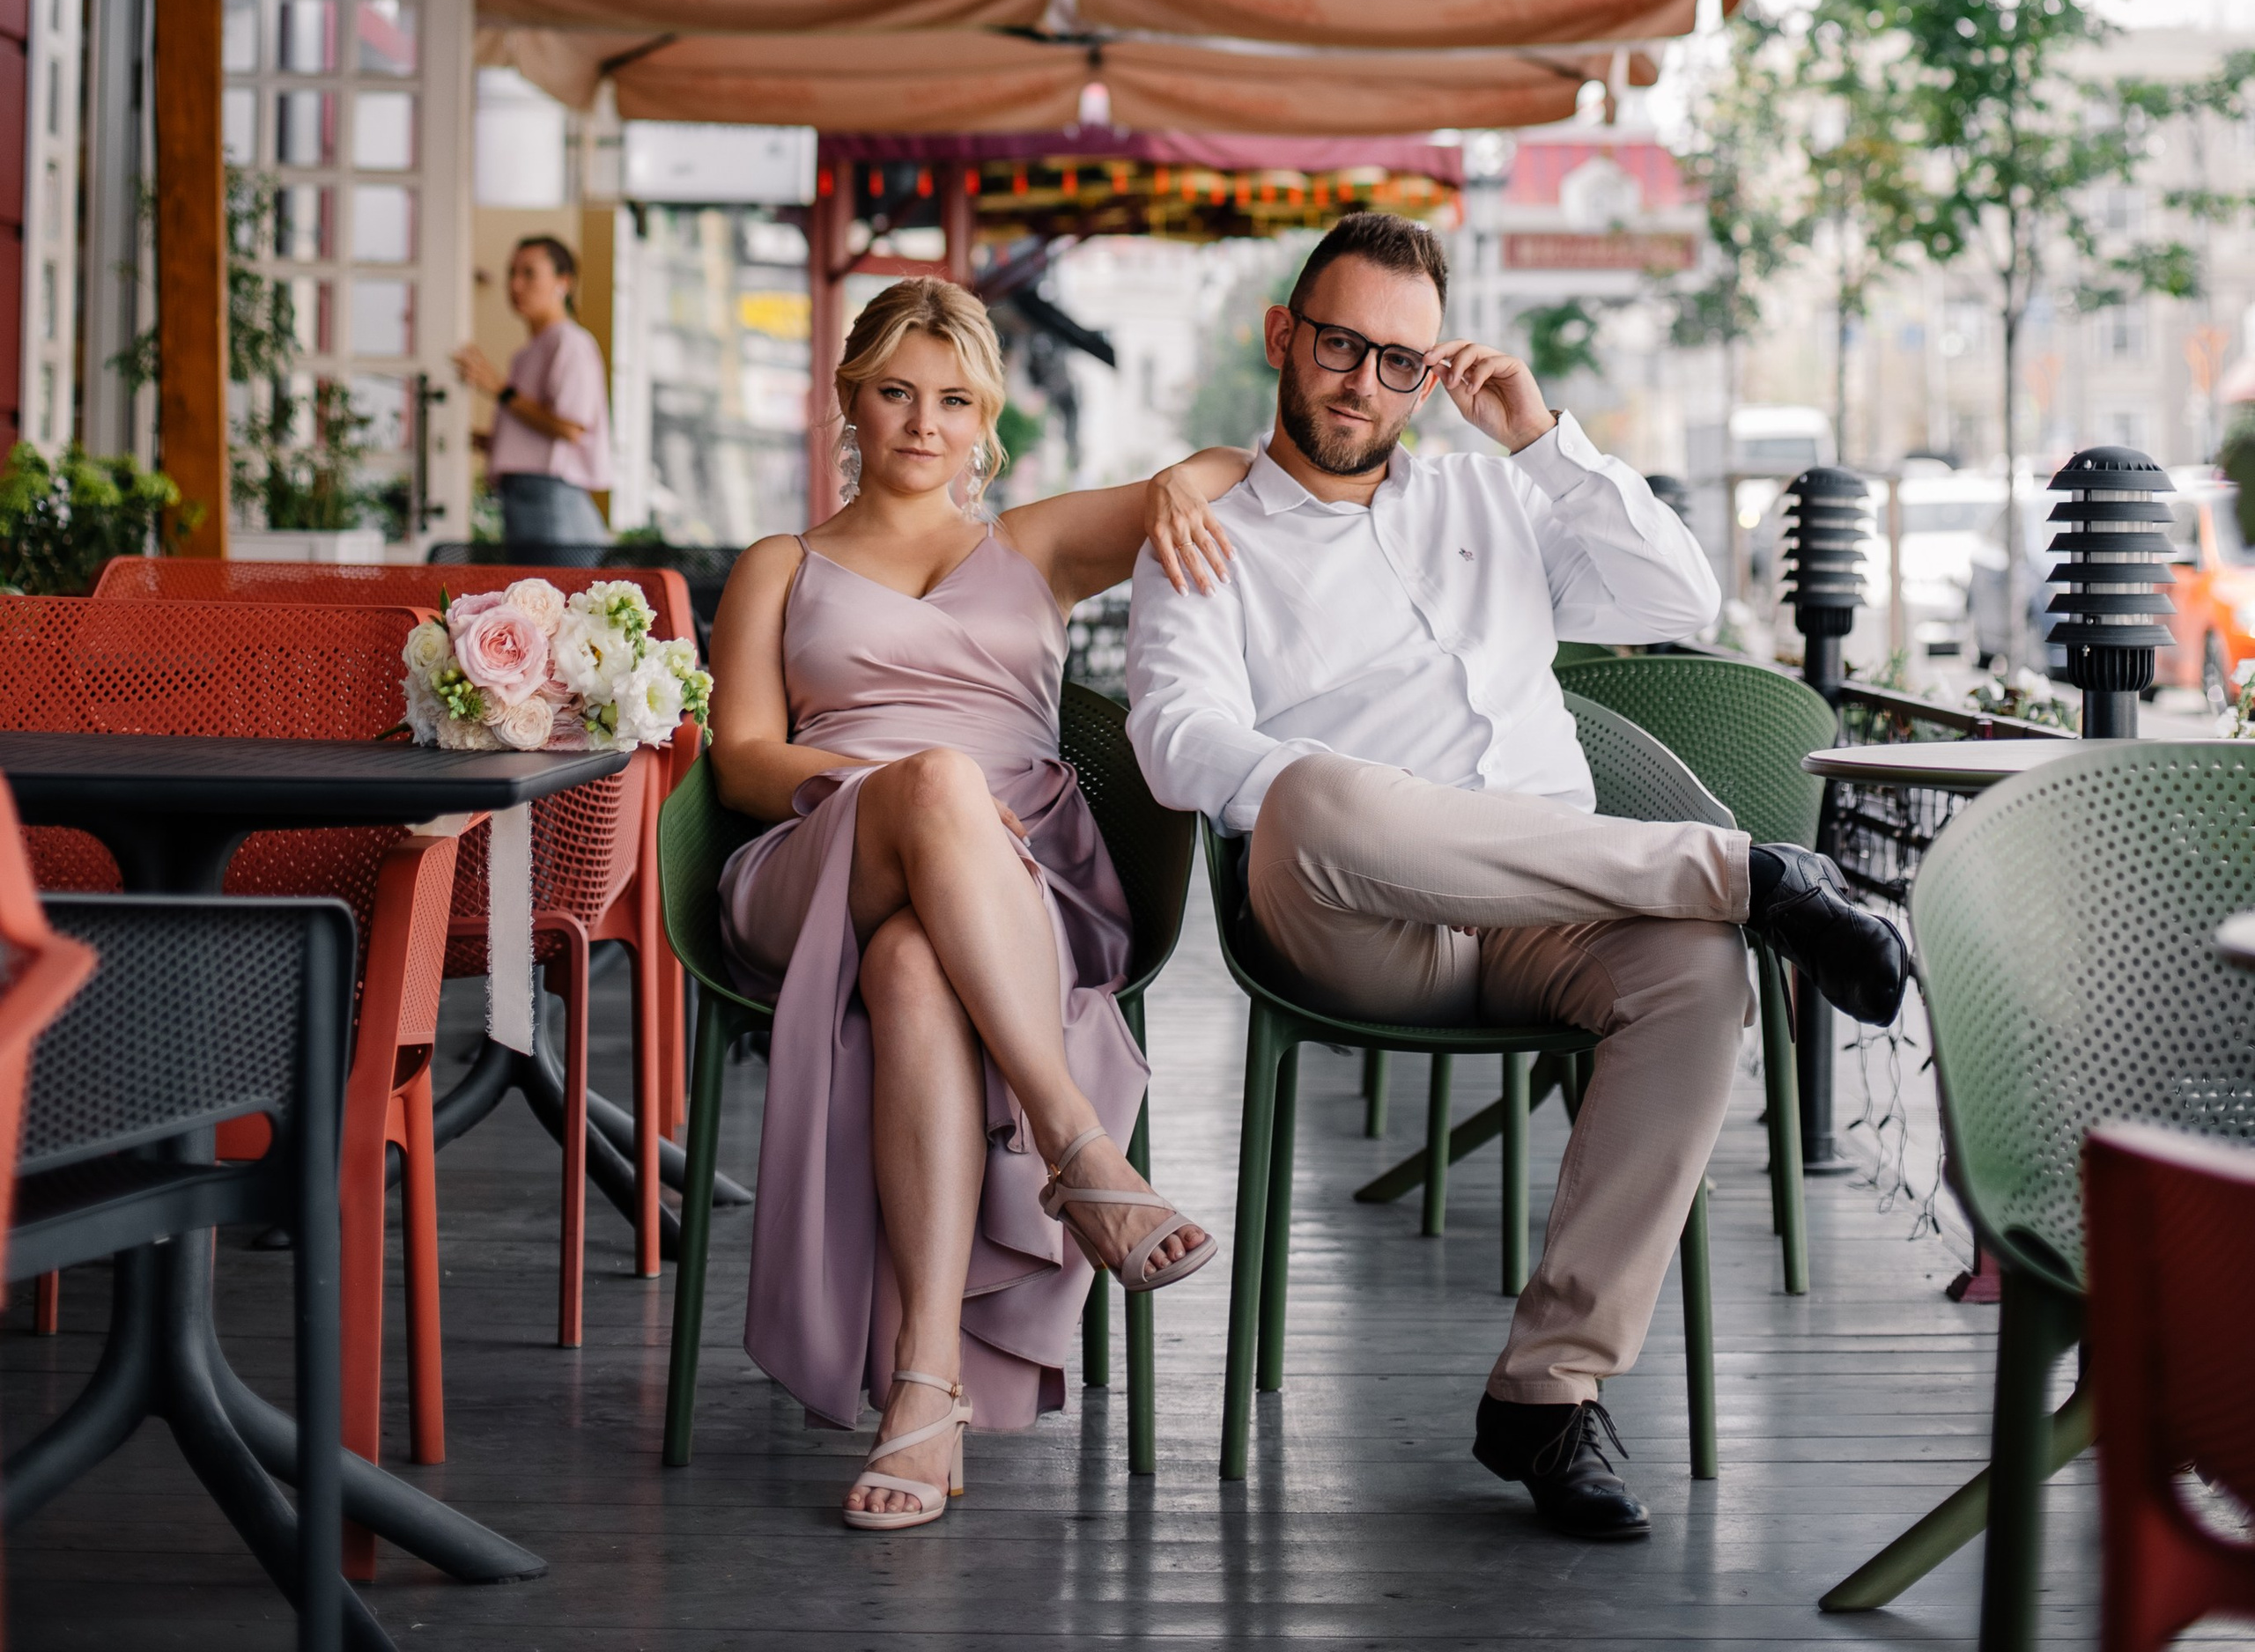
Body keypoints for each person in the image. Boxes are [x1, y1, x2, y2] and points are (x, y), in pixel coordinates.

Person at [1126, 208, 1909, 1544]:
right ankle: (1748, 872)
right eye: (1339, 346)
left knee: (1695, 965)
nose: (1362, 384)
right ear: (1282, 338)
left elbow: (1679, 605)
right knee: (1312, 789)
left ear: (1431, 373)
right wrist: (1343, 804)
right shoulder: (1211, 530)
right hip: (1365, 920)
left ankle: (1548, 1390)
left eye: (1399, 361)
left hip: (1553, 907)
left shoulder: (1492, 496)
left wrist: (1542, 440)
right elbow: (1175, 739)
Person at [706, 277, 1250, 1534]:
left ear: (986, 418)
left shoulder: (1036, 546)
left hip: (1017, 884)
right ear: (850, 400)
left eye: (954, 400)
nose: (923, 423)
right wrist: (894, 792)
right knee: (939, 779)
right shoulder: (781, 564)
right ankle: (1079, 1150)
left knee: (913, 969)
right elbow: (740, 760)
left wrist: (1178, 481)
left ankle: (924, 1387)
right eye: (897, 393)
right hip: (817, 856)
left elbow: (1243, 467)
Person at [450, 233, 615, 563]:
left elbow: (570, 428)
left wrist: (501, 390)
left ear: (563, 282)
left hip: (550, 502)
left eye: (529, 273)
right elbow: (537, 435)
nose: (515, 285)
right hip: (526, 498)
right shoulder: (528, 353)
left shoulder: (570, 342)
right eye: (512, 273)